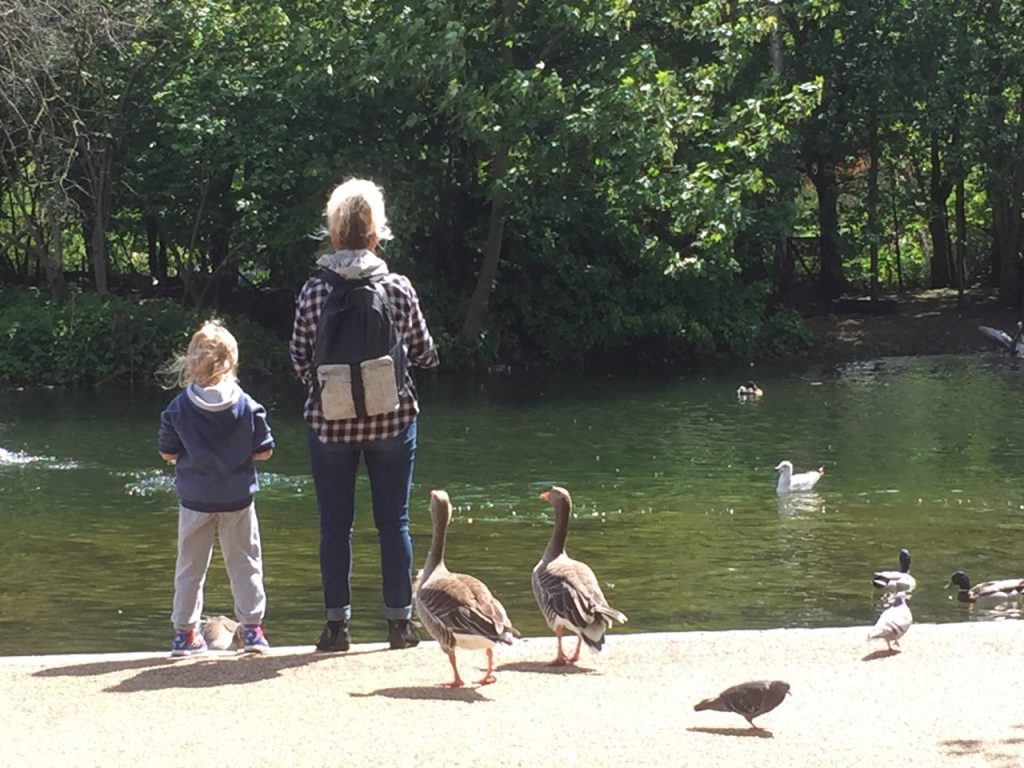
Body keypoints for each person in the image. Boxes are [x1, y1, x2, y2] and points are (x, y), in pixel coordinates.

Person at [290, 177, 439, 652]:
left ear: (333, 236)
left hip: (329, 425)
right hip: (392, 420)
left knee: (335, 525)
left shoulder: (314, 292)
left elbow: (298, 359)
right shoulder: (398, 288)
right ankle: (400, 625)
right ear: (377, 237)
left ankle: (336, 629)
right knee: (392, 521)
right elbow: (425, 353)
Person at [158, 320, 275, 656]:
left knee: (190, 566)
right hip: (237, 498)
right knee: (245, 562)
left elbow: (167, 451)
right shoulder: (247, 405)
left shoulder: (178, 407)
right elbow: (265, 449)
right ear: (232, 362)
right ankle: (252, 630)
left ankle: (184, 634)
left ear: (190, 362)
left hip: (195, 499)